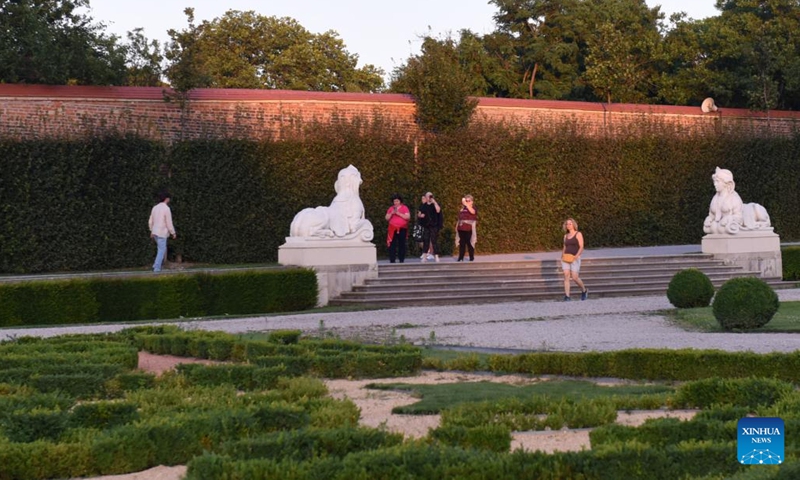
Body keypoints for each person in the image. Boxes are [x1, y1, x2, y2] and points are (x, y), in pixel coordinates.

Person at [149, 191, 176, 272]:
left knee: (160, 249)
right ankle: (156, 267)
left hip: (155, 232)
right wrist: (173, 232)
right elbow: (169, 222)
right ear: (167, 199)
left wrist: (151, 230)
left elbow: (150, 220)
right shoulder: (166, 209)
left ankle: (156, 265)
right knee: (162, 250)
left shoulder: (155, 207)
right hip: (162, 232)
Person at [561, 218, 588, 301]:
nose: (568, 225)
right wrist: (562, 256)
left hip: (574, 257)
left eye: (570, 224)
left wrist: (576, 256)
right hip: (566, 257)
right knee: (566, 276)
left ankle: (584, 290)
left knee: (575, 277)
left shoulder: (578, 234)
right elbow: (565, 247)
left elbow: (581, 246)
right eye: (567, 224)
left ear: (573, 225)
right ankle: (567, 296)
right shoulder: (566, 236)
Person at [385, 193, 410, 263]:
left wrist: (398, 213)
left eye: (397, 201)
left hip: (402, 228)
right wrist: (391, 213)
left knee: (402, 244)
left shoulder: (404, 208)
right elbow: (386, 218)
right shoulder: (391, 208)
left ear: (400, 201)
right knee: (392, 244)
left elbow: (407, 217)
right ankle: (392, 259)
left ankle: (401, 259)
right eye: (394, 201)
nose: (395, 203)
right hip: (392, 229)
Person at [419, 192, 442, 262]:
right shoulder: (424, 206)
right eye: (428, 196)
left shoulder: (435, 204)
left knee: (434, 240)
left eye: (430, 196)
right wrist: (420, 215)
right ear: (426, 197)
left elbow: (438, 210)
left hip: (434, 225)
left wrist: (434, 202)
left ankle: (436, 256)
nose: (429, 197)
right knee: (426, 240)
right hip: (426, 225)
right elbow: (419, 213)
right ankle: (425, 256)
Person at [455, 195, 477, 261]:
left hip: (469, 228)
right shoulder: (462, 208)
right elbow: (459, 218)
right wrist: (456, 226)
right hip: (461, 228)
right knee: (462, 243)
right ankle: (461, 257)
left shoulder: (473, 208)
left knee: (469, 243)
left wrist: (467, 205)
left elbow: (473, 212)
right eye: (466, 200)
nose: (467, 202)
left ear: (472, 202)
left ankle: (471, 257)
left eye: (468, 201)